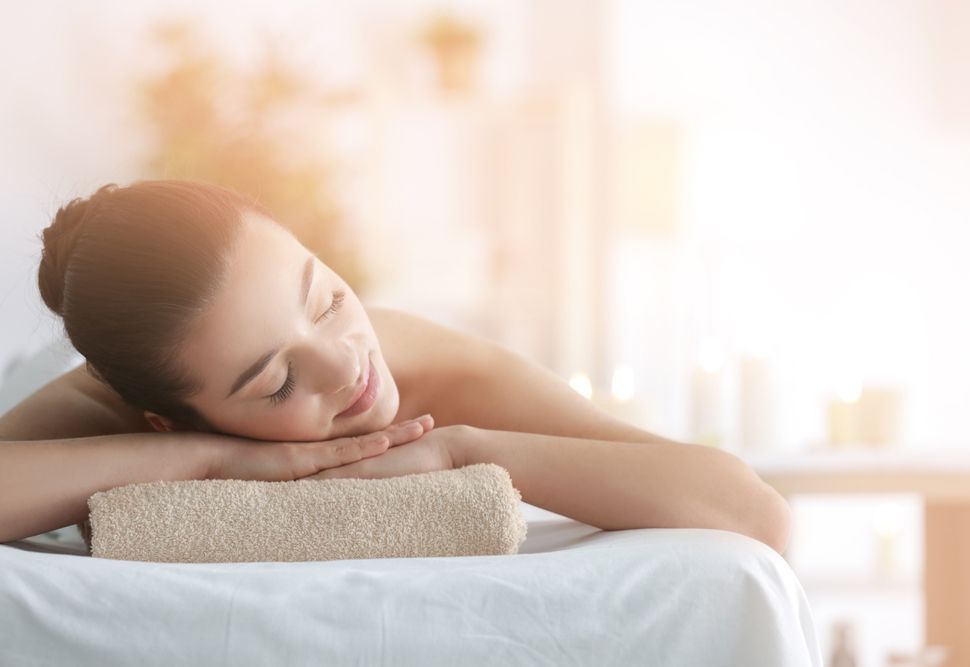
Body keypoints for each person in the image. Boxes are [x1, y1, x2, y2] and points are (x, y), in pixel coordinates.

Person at [0, 179, 791, 553]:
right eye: (277, 382)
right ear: (165, 417)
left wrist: (470, 449)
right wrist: (205, 458)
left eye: (327, 298)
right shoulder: (112, 405)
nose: (346, 365)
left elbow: (753, 510)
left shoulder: (443, 367)